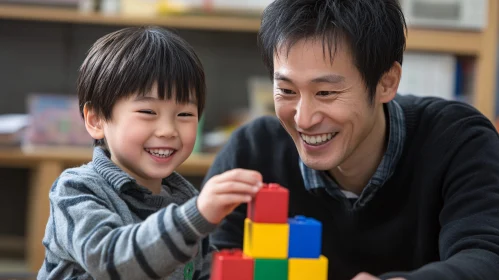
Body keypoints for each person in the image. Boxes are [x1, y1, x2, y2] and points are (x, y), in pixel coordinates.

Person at [202, 0, 499, 279]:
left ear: (387, 83)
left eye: (326, 93)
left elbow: (486, 256)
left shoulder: (458, 140)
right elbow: (206, 263)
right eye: (287, 91)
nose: (303, 119)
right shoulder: (252, 155)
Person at [37, 26, 263, 280]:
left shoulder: (185, 199)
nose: (168, 130)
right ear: (97, 120)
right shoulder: (76, 190)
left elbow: (199, 272)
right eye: (148, 112)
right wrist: (195, 217)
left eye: (185, 115)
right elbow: (111, 261)